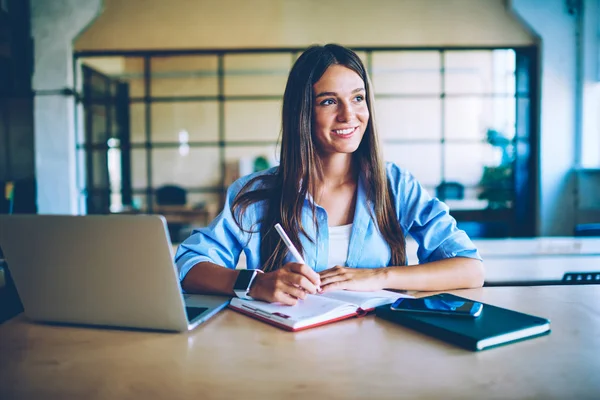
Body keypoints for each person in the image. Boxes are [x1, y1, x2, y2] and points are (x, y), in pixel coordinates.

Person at [175, 44, 484, 306]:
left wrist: (378, 276)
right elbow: (188, 267)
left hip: (382, 351)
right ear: (303, 111)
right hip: (283, 351)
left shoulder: (396, 186)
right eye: (329, 101)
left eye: (358, 98)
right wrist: (254, 283)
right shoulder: (257, 192)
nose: (349, 115)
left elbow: (470, 270)